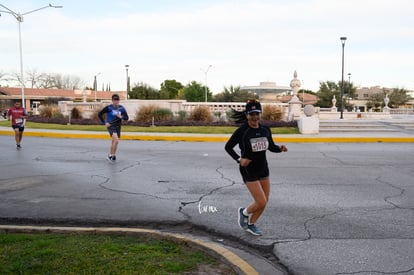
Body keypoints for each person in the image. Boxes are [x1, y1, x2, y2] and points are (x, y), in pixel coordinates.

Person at [225, 99, 288, 236]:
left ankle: (251, 224)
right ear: (247, 115)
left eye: (257, 113)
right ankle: (244, 212)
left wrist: (280, 148)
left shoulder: (265, 129)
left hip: (263, 168)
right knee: (261, 201)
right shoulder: (242, 131)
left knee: (264, 202)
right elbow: (228, 147)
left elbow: (270, 146)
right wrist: (239, 159)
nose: (255, 117)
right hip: (249, 170)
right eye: (252, 114)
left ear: (260, 114)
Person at [98, 94, 129, 161]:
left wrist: (121, 117)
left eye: (117, 100)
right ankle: (111, 155)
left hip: (118, 126)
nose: (116, 101)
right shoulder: (109, 108)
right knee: (116, 140)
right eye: (114, 100)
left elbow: (126, 118)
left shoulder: (122, 108)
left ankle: (112, 155)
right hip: (111, 125)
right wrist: (105, 122)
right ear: (112, 100)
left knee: (114, 141)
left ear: (119, 100)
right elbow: (100, 114)